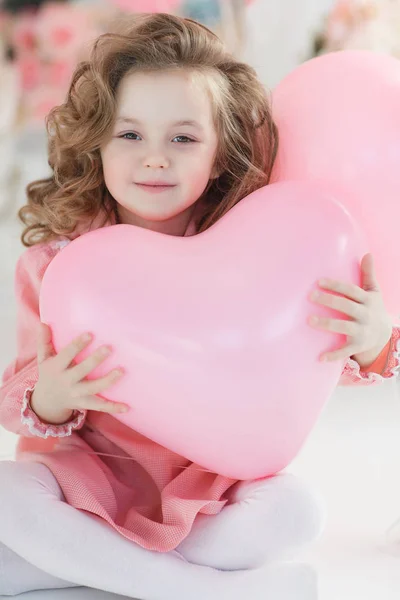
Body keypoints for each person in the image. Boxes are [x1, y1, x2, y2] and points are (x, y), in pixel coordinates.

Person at [0, 12, 399, 599]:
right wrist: (51, 399)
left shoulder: (262, 249)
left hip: (203, 492)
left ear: (221, 151)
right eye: (130, 135)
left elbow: (294, 360)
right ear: (97, 143)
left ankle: (85, 566)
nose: (154, 158)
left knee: (295, 511)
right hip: (85, 478)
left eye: (183, 138)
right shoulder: (59, 264)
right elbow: (16, 398)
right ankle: (190, 587)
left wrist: (371, 339)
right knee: (8, 495)